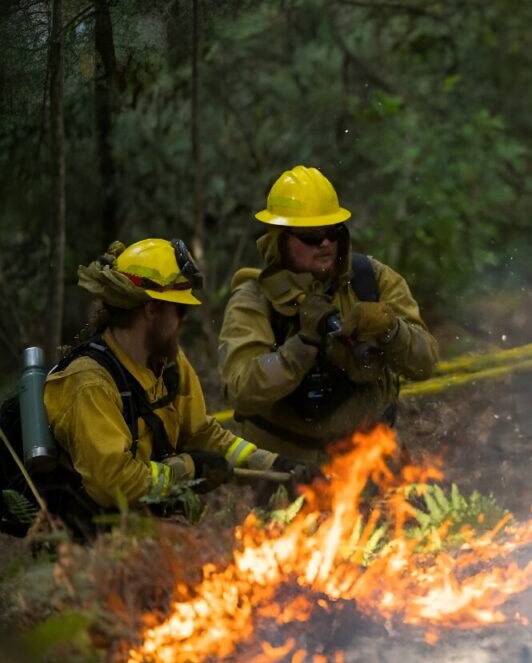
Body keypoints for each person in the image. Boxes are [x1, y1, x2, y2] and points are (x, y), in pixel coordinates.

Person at [42, 238, 304, 532]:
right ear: (151, 309)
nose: (182, 321)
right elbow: (115, 484)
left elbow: (202, 433)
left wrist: (274, 464)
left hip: (154, 529)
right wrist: (188, 468)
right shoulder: (89, 382)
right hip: (95, 546)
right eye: (180, 311)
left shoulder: (169, 363)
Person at [218, 165, 438, 463]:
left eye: (333, 233)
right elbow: (240, 389)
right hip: (286, 475)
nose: (324, 243)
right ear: (280, 239)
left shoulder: (371, 280)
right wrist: (300, 348)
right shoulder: (254, 300)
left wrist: (390, 329)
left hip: (367, 464)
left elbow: (425, 363)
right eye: (310, 236)